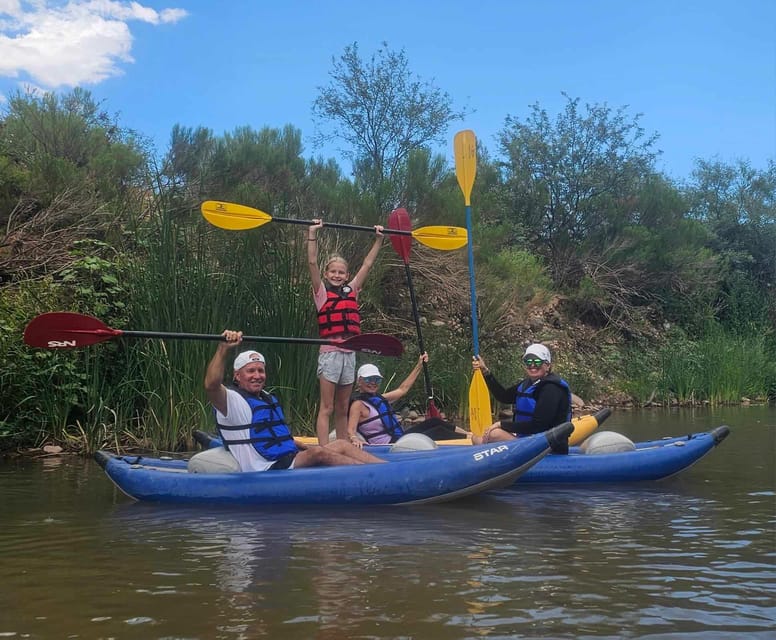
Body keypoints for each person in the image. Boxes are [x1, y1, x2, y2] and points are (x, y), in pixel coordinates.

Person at [204, 330, 385, 471]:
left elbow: (273, 434)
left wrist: (296, 443)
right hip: (265, 466)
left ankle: (385, 468)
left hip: (285, 458)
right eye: (250, 371)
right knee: (319, 452)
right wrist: (222, 349)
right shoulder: (231, 401)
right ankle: (375, 476)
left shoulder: (266, 398)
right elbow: (211, 385)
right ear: (237, 376)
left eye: (261, 370)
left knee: (342, 444)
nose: (257, 376)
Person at [307, 219, 384, 445]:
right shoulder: (320, 292)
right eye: (333, 272)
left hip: (349, 354)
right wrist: (312, 233)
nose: (337, 275)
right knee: (327, 407)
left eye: (341, 272)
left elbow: (367, 264)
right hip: (330, 353)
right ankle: (324, 449)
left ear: (346, 274)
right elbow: (311, 262)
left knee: (342, 407)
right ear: (327, 273)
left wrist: (379, 239)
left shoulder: (352, 291)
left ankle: (341, 447)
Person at [346, 353, 472, 446]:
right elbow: (351, 429)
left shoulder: (379, 399)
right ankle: (472, 442)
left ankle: (470, 435)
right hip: (389, 445)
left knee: (434, 421)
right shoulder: (358, 405)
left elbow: (403, 389)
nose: (373, 383)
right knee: (438, 431)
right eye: (368, 379)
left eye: (376, 379)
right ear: (359, 382)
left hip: (399, 438)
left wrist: (419, 365)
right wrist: (353, 438)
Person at [472, 343, 572, 453]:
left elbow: (539, 426)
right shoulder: (528, 384)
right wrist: (485, 372)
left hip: (548, 448)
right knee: (475, 437)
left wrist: (501, 424)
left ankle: (479, 459)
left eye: (537, 362)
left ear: (547, 365)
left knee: (494, 434)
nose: (532, 365)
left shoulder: (552, 389)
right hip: (529, 441)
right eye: (528, 362)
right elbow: (503, 396)